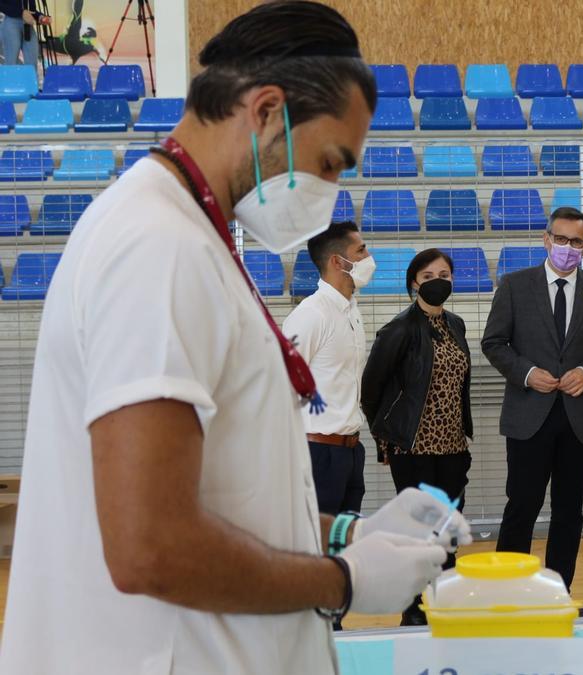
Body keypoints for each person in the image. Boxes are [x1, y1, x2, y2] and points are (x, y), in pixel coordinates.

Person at [0, 4, 470, 674]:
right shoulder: (156, 247)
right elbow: (149, 546)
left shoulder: (194, 239)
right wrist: (342, 578)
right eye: (331, 163)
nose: (331, 193)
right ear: (267, 111)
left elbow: (226, 491)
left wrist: (350, 532)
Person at [481, 206, 583, 590]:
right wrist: (526, 372)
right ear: (546, 239)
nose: (567, 247)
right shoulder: (514, 285)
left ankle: (559, 591)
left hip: (579, 417)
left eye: (576, 242)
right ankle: (507, 590)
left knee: (569, 513)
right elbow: (493, 343)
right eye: (560, 239)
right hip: (528, 415)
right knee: (522, 507)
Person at [361, 248, 473, 627]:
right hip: (414, 447)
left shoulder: (456, 325)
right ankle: (413, 608)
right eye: (429, 276)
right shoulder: (398, 330)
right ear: (414, 283)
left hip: (453, 446)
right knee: (417, 532)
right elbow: (371, 390)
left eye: (445, 273)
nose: (439, 281)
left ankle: (445, 599)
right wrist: (386, 440)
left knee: (449, 528)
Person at [283, 222, 373, 519]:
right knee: (313, 547)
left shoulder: (351, 310)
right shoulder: (310, 315)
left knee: (341, 544)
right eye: (361, 250)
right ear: (337, 261)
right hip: (318, 451)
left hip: (351, 449)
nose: (369, 256)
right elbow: (283, 385)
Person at [0, 0, 45, 71]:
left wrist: (40, 17)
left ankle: (31, 81)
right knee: (11, 62)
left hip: (28, 25)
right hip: (11, 22)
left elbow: (31, 10)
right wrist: (21, 12)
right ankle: (10, 81)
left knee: (32, 62)